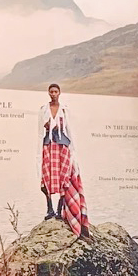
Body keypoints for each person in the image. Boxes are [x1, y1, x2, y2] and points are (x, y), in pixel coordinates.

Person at [38, 83, 91, 238]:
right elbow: (39, 131)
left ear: (59, 93)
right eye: (51, 91)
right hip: (48, 146)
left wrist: (73, 152)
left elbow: (69, 130)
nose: (53, 94)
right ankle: (49, 209)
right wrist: (39, 150)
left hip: (62, 147)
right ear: (48, 93)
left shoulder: (65, 110)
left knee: (64, 177)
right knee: (46, 177)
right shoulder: (43, 109)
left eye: (56, 91)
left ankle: (60, 209)